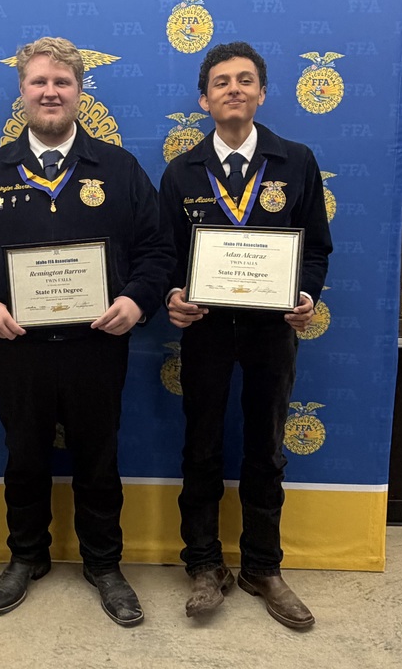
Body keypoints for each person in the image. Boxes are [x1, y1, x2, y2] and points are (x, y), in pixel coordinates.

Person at [0, 37, 173, 627]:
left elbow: (157, 249)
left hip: (99, 344)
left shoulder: (118, 169)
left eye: (62, 83)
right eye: (39, 82)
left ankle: (104, 563)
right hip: (18, 347)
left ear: (79, 91)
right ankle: (26, 557)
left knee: (99, 455)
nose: (51, 92)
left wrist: (136, 299)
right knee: (23, 456)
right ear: (21, 93)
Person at [159, 41, 332, 628]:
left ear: (261, 92)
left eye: (246, 80)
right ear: (203, 98)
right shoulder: (181, 171)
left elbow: (317, 248)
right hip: (205, 332)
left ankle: (263, 565)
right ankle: (204, 564)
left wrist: (306, 294)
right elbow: (164, 255)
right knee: (201, 447)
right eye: (222, 82)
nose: (234, 89)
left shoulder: (296, 161)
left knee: (266, 450)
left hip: (270, 334)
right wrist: (173, 297)